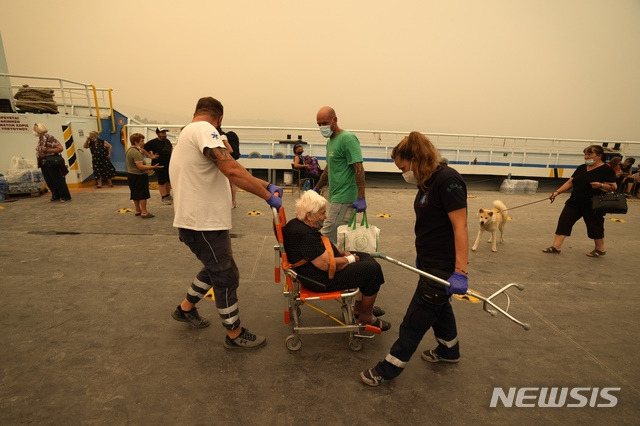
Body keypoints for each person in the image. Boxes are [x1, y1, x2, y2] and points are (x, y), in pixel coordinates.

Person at [169, 96, 283, 350]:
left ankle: (186, 308)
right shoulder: (204, 130)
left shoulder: (189, 132)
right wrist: (267, 198)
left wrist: (267, 185)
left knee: (213, 268)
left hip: (199, 223)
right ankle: (234, 333)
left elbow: (233, 167)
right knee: (227, 276)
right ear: (219, 119)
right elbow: (230, 170)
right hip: (203, 224)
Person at [360, 131, 469, 387]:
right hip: (429, 261)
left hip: (443, 265)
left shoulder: (448, 181)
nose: (403, 173)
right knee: (440, 308)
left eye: (403, 167)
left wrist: (460, 271)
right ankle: (449, 350)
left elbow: (460, 227)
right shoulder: (427, 182)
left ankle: (388, 369)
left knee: (415, 319)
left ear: (416, 159)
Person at [282, 190, 390, 330]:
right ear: (309, 215)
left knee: (366, 257)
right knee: (373, 270)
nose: (325, 216)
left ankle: (359, 309)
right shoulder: (304, 235)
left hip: (319, 270)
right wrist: (349, 259)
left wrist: (341, 253)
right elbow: (328, 265)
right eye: (322, 213)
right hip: (320, 280)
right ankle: (365, 317)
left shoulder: (298, 223)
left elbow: (321, 246)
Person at [543, 144, 617, 257]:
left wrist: (600, 185)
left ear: (599, 155)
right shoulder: (582, 168)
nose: (586, 157)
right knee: (564, 221)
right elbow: (570, 182)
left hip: (593, 204)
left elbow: (613, 187)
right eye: (585, 154)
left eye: (589, 154)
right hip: (574, 202)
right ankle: (556, 247)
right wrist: (557, 192)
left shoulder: (606, 170)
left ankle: (600, 249)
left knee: (594, 226)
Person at [313, 106, 366, 244]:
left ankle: (321, 263)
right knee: (337, 238)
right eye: (319, 124)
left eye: (324, 123)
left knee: (327, 235)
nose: (322, 127)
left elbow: (358, 167)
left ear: (334, 120)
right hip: (335, 196)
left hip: (345, 197)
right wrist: (317, 188)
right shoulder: (330, 142)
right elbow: (329, 167)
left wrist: (361, 197)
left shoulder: (348, 139)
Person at [125, 133, 163, 218]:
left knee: (135, 193)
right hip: (139, 176)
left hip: (131, 175)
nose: (143, 142)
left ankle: (138, 210)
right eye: (142, 141)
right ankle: (144, 212)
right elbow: (140, 167)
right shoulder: (136, 153)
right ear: (136, 142)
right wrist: (153, 167)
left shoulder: (129, 150)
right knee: (143, 194)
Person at [34, 123, 71, 202]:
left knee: (58, 179)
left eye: (35, 129)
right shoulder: (40, 139)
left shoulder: (49, 138)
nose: (34, 131)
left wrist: (47, 150)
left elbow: (60, 148)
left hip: (52, 162)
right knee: (49, 180)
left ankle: (65, 196)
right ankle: (56, 195)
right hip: (43, 163)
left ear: (40, 129)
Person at [143, 127, 173, 204]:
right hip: (158, 164)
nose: (164, 134)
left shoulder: (167, 141)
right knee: (162, 180)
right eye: (162, 133)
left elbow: (171, 149)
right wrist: (150, 156)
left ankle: (168, 195)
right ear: (157, 134)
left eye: (164, 133)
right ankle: (163, 197)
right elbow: (143, 148)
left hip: (168, 164)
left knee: (168, 180)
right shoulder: (153, 142)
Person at [218, 126, 240, 208]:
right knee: (232, 183)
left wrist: (221, 155)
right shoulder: (224, 136)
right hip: (231, 159)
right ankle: (233, 201)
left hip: (227, 161)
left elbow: (230, 150)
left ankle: (231, 201)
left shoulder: (222, 137)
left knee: (230, 183)